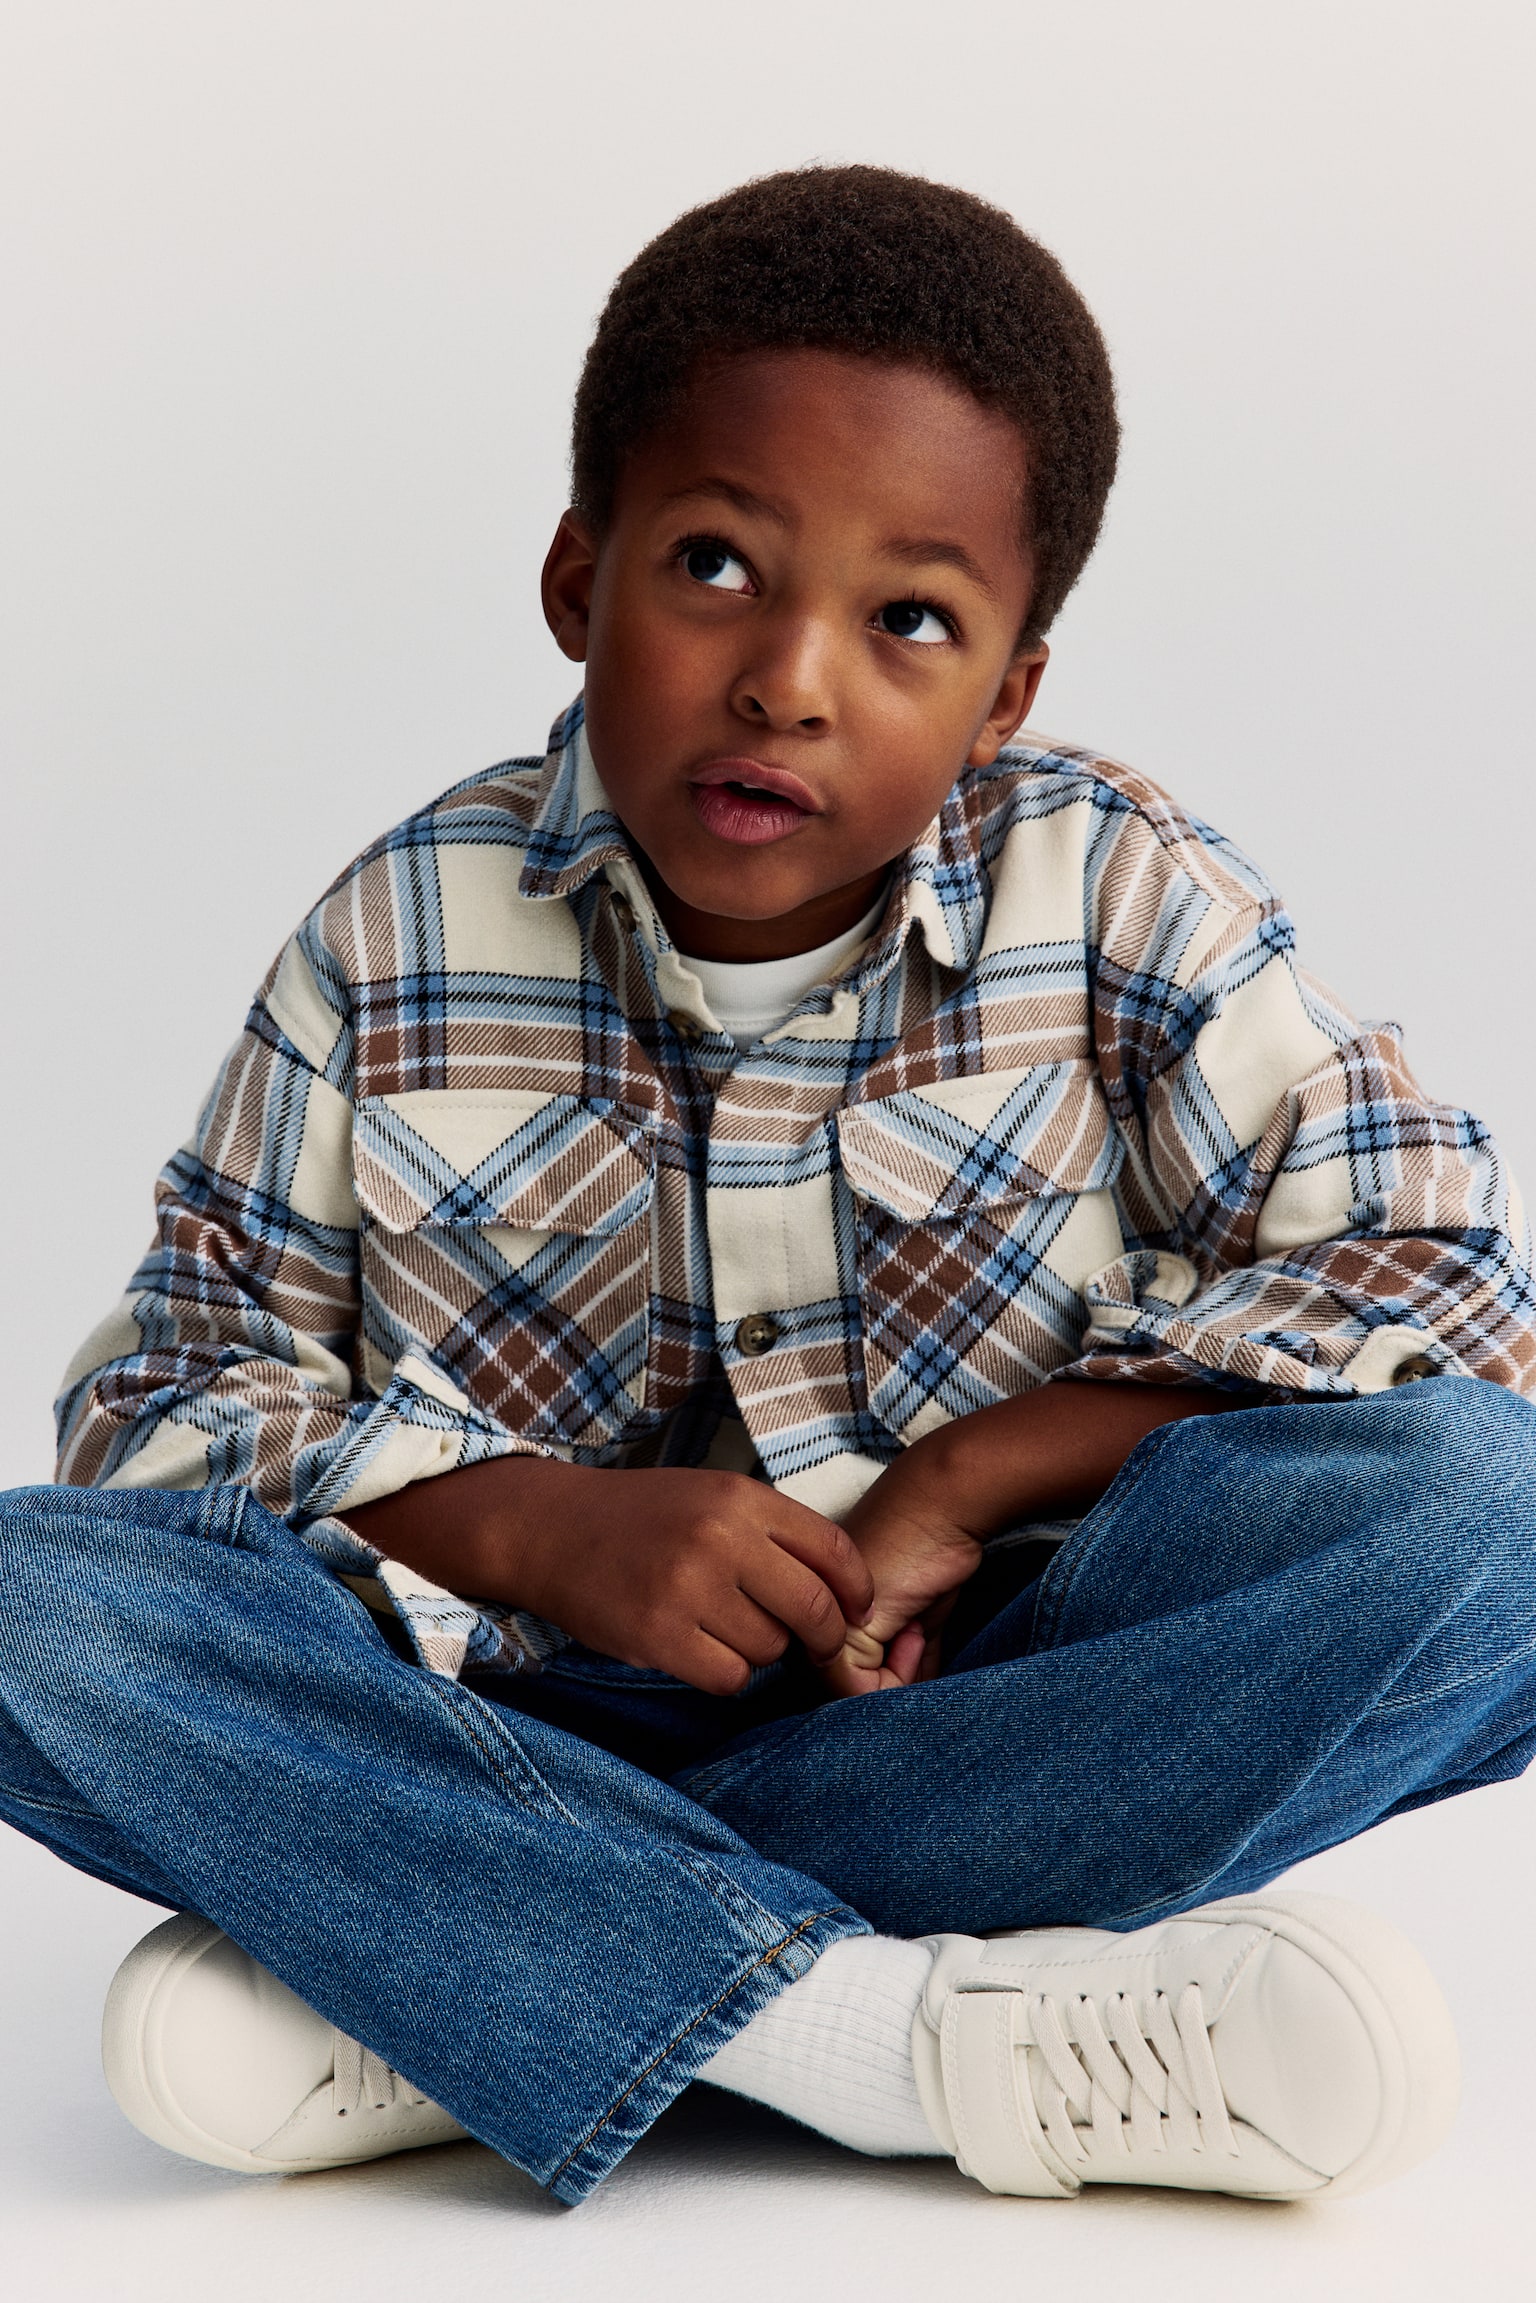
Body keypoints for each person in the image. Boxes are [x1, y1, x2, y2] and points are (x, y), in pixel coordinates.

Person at [3, 164, 1533, 2208]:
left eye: (910, 620)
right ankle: (887, 2041)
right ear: (579, 577)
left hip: (987, 1702)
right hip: (519, 1712)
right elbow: (157, 1403)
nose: (791, 678)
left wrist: (970, 1481)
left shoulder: (1112, 891)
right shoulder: (403, 932)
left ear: (1006, 695)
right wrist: (533, 1526)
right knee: (35, 1603)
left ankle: (465, 1967)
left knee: (1491, 1520)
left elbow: (1438, 1275)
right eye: (714, 565)